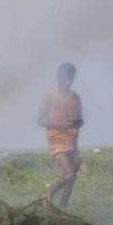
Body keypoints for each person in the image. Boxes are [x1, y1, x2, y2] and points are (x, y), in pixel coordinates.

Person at [37, 62, 84, 210]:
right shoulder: (50, 96)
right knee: (69, 174)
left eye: (71, 79)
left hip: (72, 139)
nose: (68, 82)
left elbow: (80, 119)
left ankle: (63, 207)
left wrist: (79, 122)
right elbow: (39, 120)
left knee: (73, 175)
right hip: (56, 139)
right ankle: (47, 196)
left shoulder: (76, 97)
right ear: (58, 77)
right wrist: (60, 125)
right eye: (65, 79)